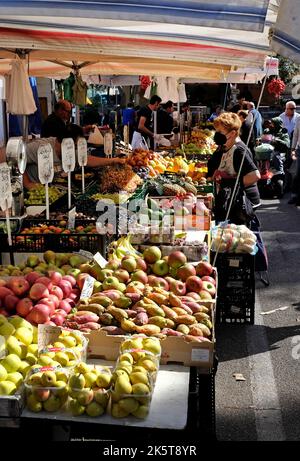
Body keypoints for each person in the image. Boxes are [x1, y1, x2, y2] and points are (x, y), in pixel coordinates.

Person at [23, 124, 125, 189]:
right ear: (64, 141)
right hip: (34, 194)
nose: (76, 150)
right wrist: (27, 183)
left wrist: (113, 160)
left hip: (51, 189)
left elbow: (87, 159)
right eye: (75, 146)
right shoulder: (39, 148)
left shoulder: (70, 149)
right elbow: (13, 161)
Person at [207, 112, 261, 225]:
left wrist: (230, 180)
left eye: (220, 132)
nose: (217, 134)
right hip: (229, 198)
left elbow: (255, 175)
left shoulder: (239, 151)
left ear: (232, 133)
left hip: (241, 204)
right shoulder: (224, 145)